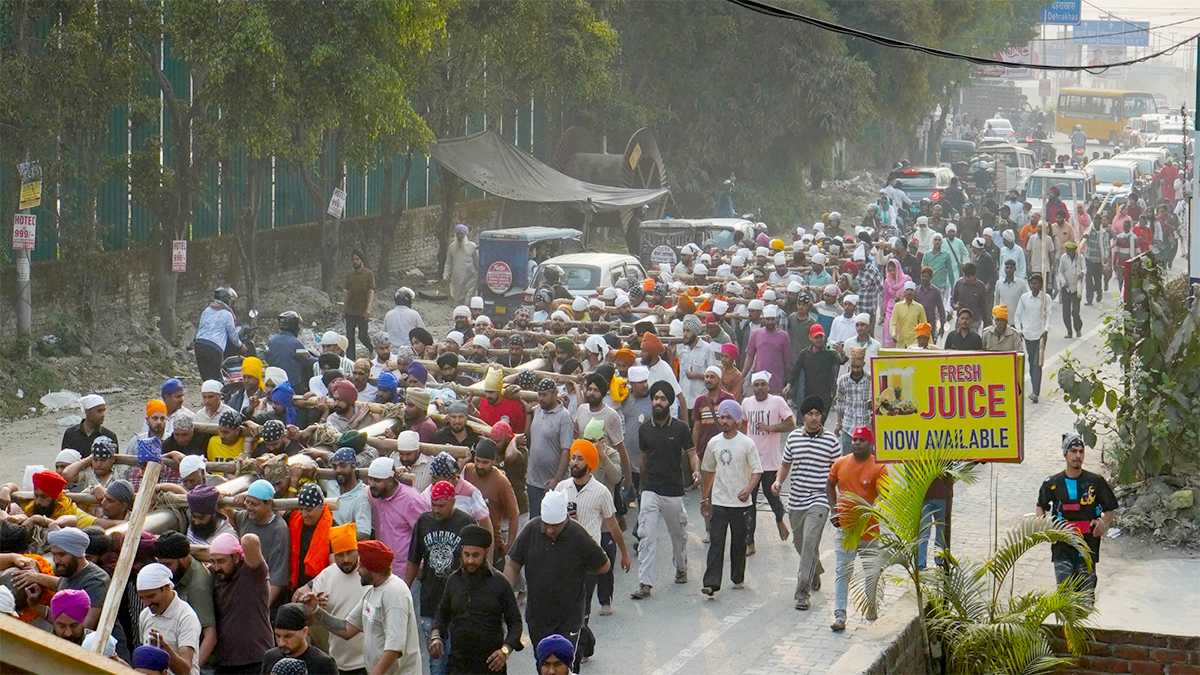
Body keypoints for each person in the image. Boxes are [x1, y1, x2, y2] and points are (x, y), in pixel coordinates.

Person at [504, 490, 609, 671]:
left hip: (569, 616)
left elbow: (603, 565)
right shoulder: (531, 529)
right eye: (547, 525)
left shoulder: (578, 534)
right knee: (545, 665)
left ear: (566, 520)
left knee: (564, 665)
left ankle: (583, 639)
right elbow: (513, 563)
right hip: (538, 616)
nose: (551, 530)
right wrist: (505, 594)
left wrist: (578, 569)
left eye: (556, 526)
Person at [304, 540, 423, 675]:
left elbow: (394, 648)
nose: (358, 570)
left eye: (361, 566)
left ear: (372, 568)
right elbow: (347, 629)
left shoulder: (395, 593)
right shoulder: (372, 591)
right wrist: (316, 610)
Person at [553, 438, 631, 633]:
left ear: (589, 463)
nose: (574, 462)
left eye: (579, 458)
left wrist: (624, 553)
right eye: (573, 458)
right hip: (563, 555)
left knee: (582, 604)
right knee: (565, 604)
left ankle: (580, 645)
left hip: (589, 556)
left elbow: (612, 526)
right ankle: (581, 643)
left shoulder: (601, 492)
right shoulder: (561, 488)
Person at [631, 381, 697, 600]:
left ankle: (680, 566)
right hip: (650, 489)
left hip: (673, 491)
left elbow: (691, 452)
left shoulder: (680, 428)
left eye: (662, 398)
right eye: (655, 398)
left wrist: (696, 472)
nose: (657, 402)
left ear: (669, 402)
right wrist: (639, 487)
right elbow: (643, 458)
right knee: (646, 535)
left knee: (678, 536)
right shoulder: (645, 429)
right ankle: (645, 583)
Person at [773, 396, 840, 610]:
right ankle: (815, 569)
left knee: (810, 542)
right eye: (810, 413)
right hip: (796, 500)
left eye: (817, 413)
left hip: (819, 500)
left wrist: (839, 502)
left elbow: (839, 472)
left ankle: (802, 593)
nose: (813, 417)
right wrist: (778, 482)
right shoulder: (793, 438)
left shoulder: (832, 441)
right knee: (800, 544)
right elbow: (785, 465)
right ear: (804, 416)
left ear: (822, 416)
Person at [431, 525, 522, 674]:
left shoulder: (500, 583)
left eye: (475, 555)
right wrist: (436, 636)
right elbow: (442, 614)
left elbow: (515, 623)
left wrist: (505, 651)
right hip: (458, 665)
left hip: (491, 665)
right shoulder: (453, 581)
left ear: (485, 553)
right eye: (466, 554)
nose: (470, 560)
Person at [406, 480, 473, 675]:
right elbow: (413, 560)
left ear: (453, 501)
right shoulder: (423, 522)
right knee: (436, 661)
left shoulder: (466, 523)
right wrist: (405, 589)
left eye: (441, 505)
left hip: (459, 604)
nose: (436, 510)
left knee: (457, 657)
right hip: (430, 601)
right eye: (433, 504)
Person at [1036, 434, 1118, 595]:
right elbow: (1041, 506)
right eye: (1073, 451)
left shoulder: (1096, 481)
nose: (1078, 456)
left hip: (1088, 546)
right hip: (1062, 546)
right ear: (1065, 454)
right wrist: (1044, 528)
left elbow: (1110, 508)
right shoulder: (1051, 483)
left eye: (1081, 451)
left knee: (1085, 597)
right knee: (1064, 594)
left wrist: (1103, 524)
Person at [700, 399, 762, 597]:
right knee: (716, 543)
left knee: (738, 542)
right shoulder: (714, 443)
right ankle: (711, 583)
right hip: (719, 501)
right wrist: (705, 499)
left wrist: (748, 489)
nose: (724, 421)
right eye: (722, 417)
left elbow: (757, 471)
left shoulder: (747, 443)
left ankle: (737, 576)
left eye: (729, 417)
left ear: (737, 420)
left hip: (741, 503)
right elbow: (708, 470)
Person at [827, 426, 886, 632]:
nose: (857, 443)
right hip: (846, 529)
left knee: (872, 571)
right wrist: (834, 510)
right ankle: (840, 615)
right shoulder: (840, 463)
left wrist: (877, 508)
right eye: (855, 439)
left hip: (869, 530)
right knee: (843, 571)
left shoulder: (879, 467)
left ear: (870, 444)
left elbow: (883, 494)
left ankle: (871, 608)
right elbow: (830, 484)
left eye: (861, 440)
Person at [298, 522, 366, 674]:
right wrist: (314, 608)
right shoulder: (326, 576)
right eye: (340, 554)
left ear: (358, 549)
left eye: (350, 552)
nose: (346, 559)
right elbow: (311, 620)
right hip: (337, 661)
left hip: (368, 661)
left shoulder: (369, 574)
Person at [741, 371, 793, 554]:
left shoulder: (777, 402)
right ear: (752, 387)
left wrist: (770, 428)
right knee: (749, 502)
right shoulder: (746, 403)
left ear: (768, 386)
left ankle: (780, 520)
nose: (760, 388)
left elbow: (790, 423)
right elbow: (742, 425)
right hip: (751, 463)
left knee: (772, 497)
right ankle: (749, 542)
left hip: (770, 462)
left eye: (763, 384)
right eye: (756, 384)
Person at [209, 532, 275, 672]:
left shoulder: (253, 572)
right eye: (213, 561)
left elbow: (250, 540)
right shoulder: (216, 575)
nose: (216, 567)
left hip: (255, 659)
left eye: (221, 561)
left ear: (237, 557)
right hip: (225, 661)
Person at [153, 532, 217, 667]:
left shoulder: (198, 585)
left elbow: (210, 636)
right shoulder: (179, 571)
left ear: (183, 559)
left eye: (168, 564)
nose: (164, 570)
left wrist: (192, 670)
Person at [136, 562, 202, 675]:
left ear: (166, 588)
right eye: (142, 598)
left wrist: (165, 649)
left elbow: (185, 670)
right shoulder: (145, 615)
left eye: (151, 596)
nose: (147, 603)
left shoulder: (186, 617)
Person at [367, 457, 430, 576]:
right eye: (370, 479)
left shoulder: (412, 500)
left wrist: (421, 566)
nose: (372, 484)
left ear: (391, 480)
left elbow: (425, 534)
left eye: (377, 480)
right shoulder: (374, 494)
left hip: (407, 571)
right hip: (383, 568)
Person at [234, 479, 292, 608]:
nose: (249, 507)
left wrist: (262, 607)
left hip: (263, 593)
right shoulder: (245, 517)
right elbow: (226, 513)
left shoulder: (279, 530)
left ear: (269, 504)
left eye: (254, 504)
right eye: (247, 502)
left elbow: (278, 578)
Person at [527, 378, 574, 519]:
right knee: (535, 520)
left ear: (554, 394)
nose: (541, 398)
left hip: (553, 482)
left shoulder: (564, 417)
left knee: (553, 520)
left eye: (544, 395)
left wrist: (557, 479)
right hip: (533, 480)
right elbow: (529, 439)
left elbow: (566, 450)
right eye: (539, 394)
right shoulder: (537, 411)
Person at [261, 603, 338, 674]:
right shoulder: (270, 658)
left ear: (305, 632)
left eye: (288, 636)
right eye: (277, 636)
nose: (281, 643)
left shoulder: (323, 664)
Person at [1015, 273, 1051, 403]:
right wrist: (1019, 330)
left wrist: (1046, 330)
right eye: (1032, 283)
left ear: (1041, 285)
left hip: (1040, 335)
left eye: (1037, 283)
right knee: (1031, 362)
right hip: (1028, 335)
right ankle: (1035, 389)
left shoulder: (1045, 298)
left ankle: (1036, 392)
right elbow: (1018, 315)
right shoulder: (1024, 298)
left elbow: (1048, 315)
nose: (1034, 285)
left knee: (1038, 363)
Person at [194, 287, 242, 381]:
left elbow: (201, 327)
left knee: (206, 378)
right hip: (214, 347)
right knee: (216, 378)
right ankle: (221, 394)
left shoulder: (207, 310)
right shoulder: (227, 314)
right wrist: (241, 346)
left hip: (199, 345)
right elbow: (233, 335)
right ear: (227, 300)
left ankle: (207, 393)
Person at [742, 305, 792, 395]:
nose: (770, 322)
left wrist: (788, 382)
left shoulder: (784, 336)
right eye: (768, 319)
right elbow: (749, 357)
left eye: (772, 319)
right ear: (763, 319)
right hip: (759, 380)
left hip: (776, 381)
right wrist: (742, 375)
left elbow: (787, 361)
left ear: (776, 319)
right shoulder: (756, 334)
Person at [832, 349, 871, 456]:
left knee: (867, 463)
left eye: (858, 367)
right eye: (853, 366)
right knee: (847, 461)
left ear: (863, 364)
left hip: (866, 427)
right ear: (850, 364)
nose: (856, 369)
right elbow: (840, 403)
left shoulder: (870, 380)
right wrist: (838, 423)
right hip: (848, 427)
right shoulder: (842, 381)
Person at [266, 311, 315, 395]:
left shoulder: (271, 341)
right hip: (292, 385)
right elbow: (308, 361)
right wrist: (319, 359)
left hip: (274, 383)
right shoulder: (295, 343)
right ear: (295, 326)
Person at [342, 250, 376, 361]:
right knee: (350, 338)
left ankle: (371, 349)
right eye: (353, 260)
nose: (355, 262)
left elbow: (371, 292)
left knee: (362, 335)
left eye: (357, 259)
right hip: (350, 311)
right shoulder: (349, 275)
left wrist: (368, 309)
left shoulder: (368, 274)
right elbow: (347, 292)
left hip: (362, 311)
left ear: (361, 260)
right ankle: (351, 361)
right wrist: (344, 308)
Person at [445, 224, 479, 306]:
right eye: (458, 234)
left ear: (465, 235)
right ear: (456, 235)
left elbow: (477, 262)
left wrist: (480, 274)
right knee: (458, 299)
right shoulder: (452, 247)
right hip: (456, 279)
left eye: (462, 234)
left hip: (470, 278)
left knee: (468, 299)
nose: (460, 236)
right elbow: (448, 263)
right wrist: (446, 274)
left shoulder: (472, 246)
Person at [1057, 241, 1084, 338]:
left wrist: (1082, 273)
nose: (1068, 252)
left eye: (1070, 251)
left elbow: (1084, 269)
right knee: (1066, 313)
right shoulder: (1063, 258)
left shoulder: (1080, 258)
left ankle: (1078, 328)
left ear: (1074, 250)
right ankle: (1069, 331)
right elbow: (1060, 272)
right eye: (1067, 250)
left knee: (1075, 312)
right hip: (1066, 288)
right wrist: (1063, 282)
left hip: (1076, 288)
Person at [889, 281, 926, 348]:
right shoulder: (897, 306)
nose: (909, 292)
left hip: (914, 341)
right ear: (904, 292)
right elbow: (893, 323)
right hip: (901, 341)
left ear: (914, 293)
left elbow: (924, 325)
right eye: (907, 290)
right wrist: (893, 334)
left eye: (911, 290)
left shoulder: (919, 307)